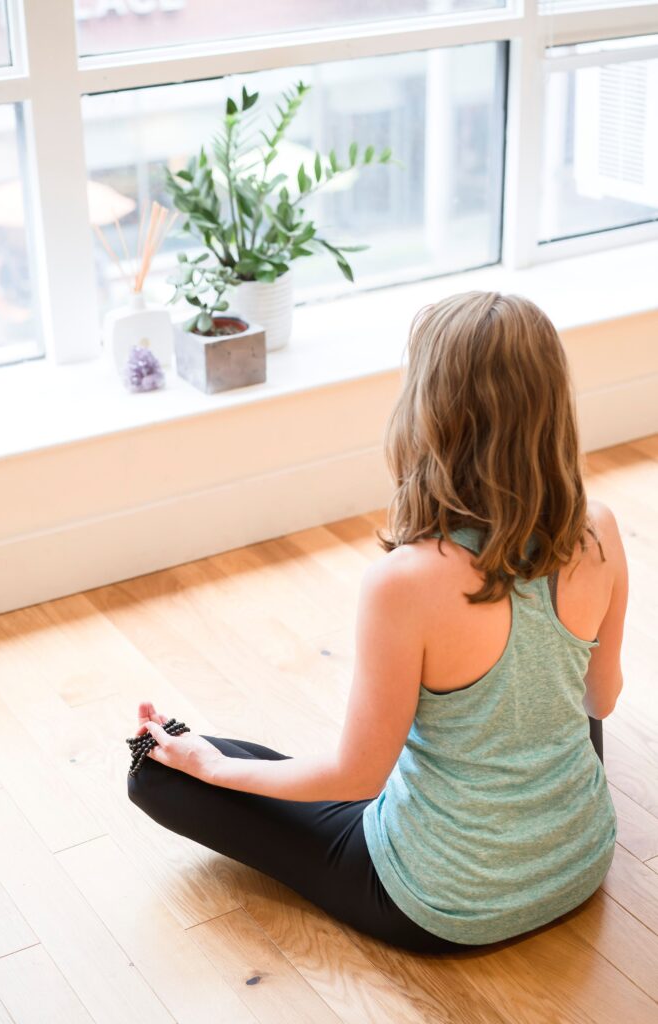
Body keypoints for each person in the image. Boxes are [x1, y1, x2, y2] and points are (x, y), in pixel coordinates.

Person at [128, 290, 626, 953]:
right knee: (550, 694)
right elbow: (601, 698)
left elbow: (357, 778)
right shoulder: (597, 528)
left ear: (430, 411)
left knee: (157, 770)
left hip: (443, 903)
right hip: (579, 863)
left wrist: (214, 768)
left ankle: (200, 763)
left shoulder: (406, 581)